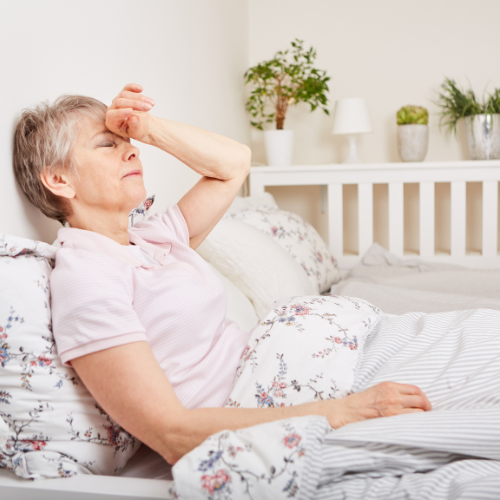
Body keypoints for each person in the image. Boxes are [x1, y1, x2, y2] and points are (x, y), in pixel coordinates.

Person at [13, 84, 432, 465]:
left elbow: (234, 163)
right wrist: (343, 412)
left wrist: (148, 127)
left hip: (313, 368)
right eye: (107, 144)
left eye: (130, 143)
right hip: (272, 412)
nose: (132, 151)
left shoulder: (151, 237)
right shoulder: (86, 277)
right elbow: (171, 431)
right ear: (58, 179)